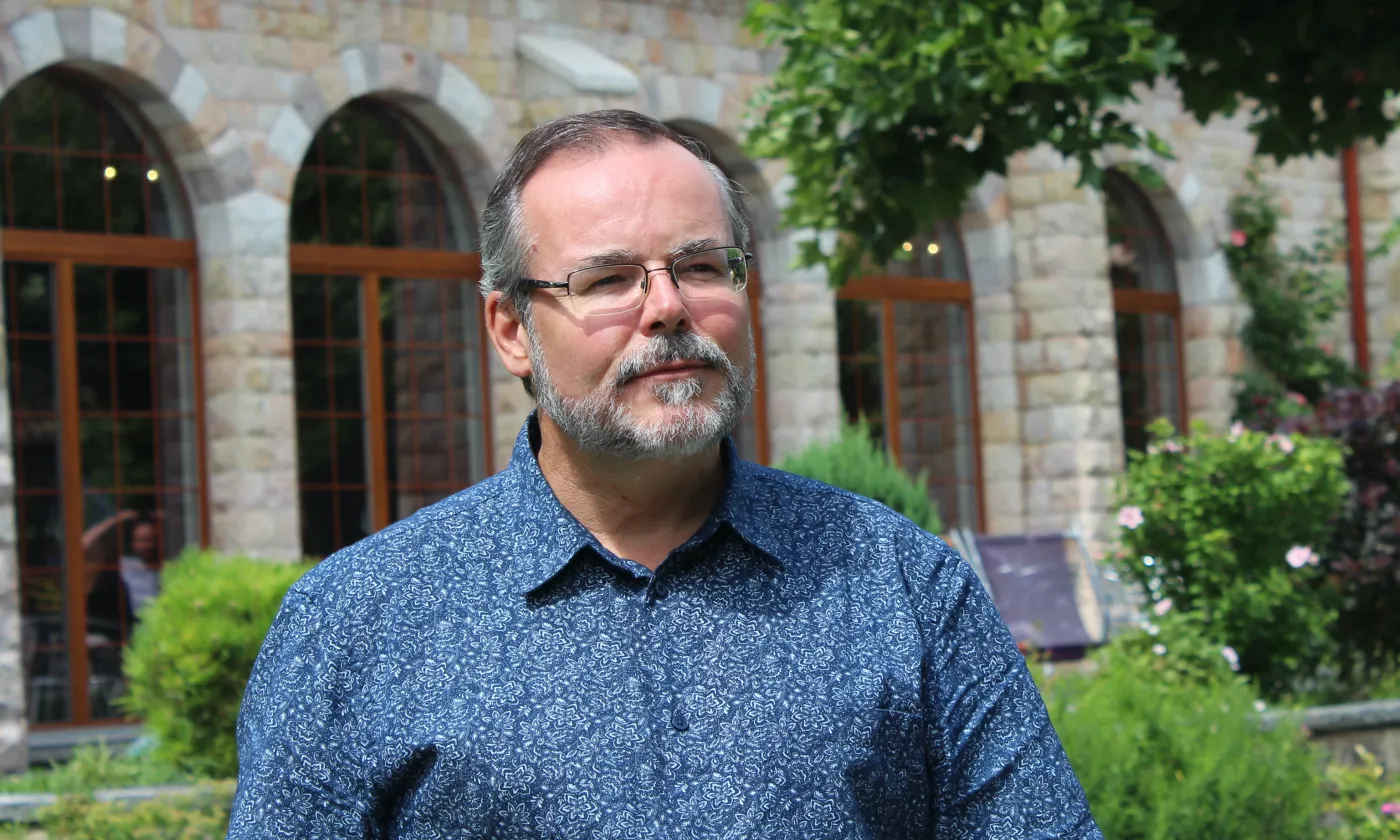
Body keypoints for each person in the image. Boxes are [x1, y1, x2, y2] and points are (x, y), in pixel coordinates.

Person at [228, 109, 1102, 838]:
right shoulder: (360, 623)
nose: (668, 307)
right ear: (511, 331)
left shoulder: (900, 585)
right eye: (607, 278)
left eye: (701, 266)